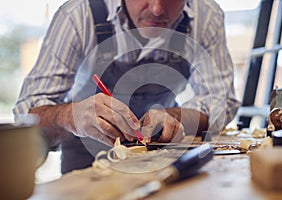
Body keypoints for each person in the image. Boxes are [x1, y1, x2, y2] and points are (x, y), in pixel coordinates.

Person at [13, 0, 240, 173]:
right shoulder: (78, 14)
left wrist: (176, 117)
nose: (157, 9)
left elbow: (221, 100)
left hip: (161, 155)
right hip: (86, 161)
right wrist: (69, 116)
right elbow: (27, 114)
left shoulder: (205, 16)